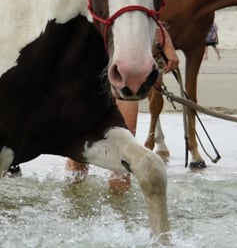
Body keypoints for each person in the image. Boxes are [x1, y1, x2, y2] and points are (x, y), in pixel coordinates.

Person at [65, 25, 180, 193]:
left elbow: (144, 14)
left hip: (125, 71)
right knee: (78, 156)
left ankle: (121, 208)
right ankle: (74, 202)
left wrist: (166, 42)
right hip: (86, 67)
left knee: (124, 159)